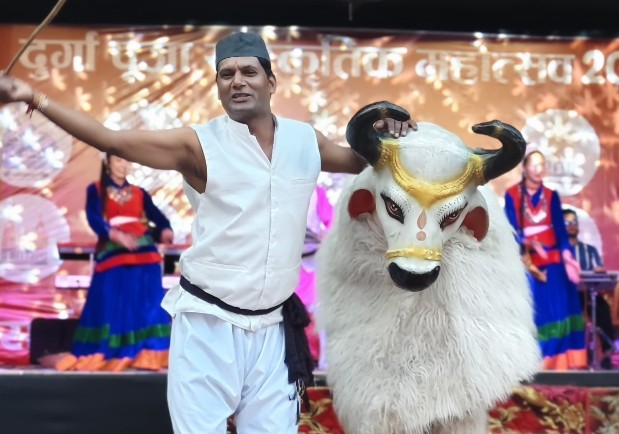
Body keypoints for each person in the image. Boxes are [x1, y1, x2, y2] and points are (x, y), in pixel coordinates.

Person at [0, 31, 415, 433]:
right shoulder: (197, 145)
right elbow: (110, 139)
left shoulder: (305, 141)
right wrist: (31, 96)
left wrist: (395, 135)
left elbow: (362, 160)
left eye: (249, 72)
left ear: (271, 82)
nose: (237, 81)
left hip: (273, 329)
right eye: (226, 74)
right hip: (208, 324)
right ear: (218, 87)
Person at [41, 153, 174, 372]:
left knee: (147, 302)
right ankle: (114, 350)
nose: (123, 165)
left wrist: (165, 229)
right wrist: (114, 234)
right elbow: (94, 218)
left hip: (143, 250)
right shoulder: (96, 189)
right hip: (113, 247)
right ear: (108, 163)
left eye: (126, 160)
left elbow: (156, 216)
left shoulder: (139, 192)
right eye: (118, 160)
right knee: (114, 300)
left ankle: (149, 352)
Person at [504, 150, 587, 370]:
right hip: (529, 265)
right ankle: (537, 363)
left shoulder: (551, 195)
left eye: (542, 165)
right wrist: (529, 242)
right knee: (538, 315)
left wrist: (568, 255)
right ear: (524, 169)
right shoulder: (512, 195)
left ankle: (559, 364)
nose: (539, 169)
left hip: (555, 265)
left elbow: (560, 230)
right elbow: (510, 230)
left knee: (561, 311)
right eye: (534, 165)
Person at [563, 208, 615, 369]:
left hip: (587, 293)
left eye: (574, 222)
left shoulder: (589, 250)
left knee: (603, 309)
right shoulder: (558, 251)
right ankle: (566, 358)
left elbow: (598, 271)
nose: (572, 226)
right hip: (566, 296)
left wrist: (599, 271)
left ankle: (607, 355)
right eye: (567, 223)